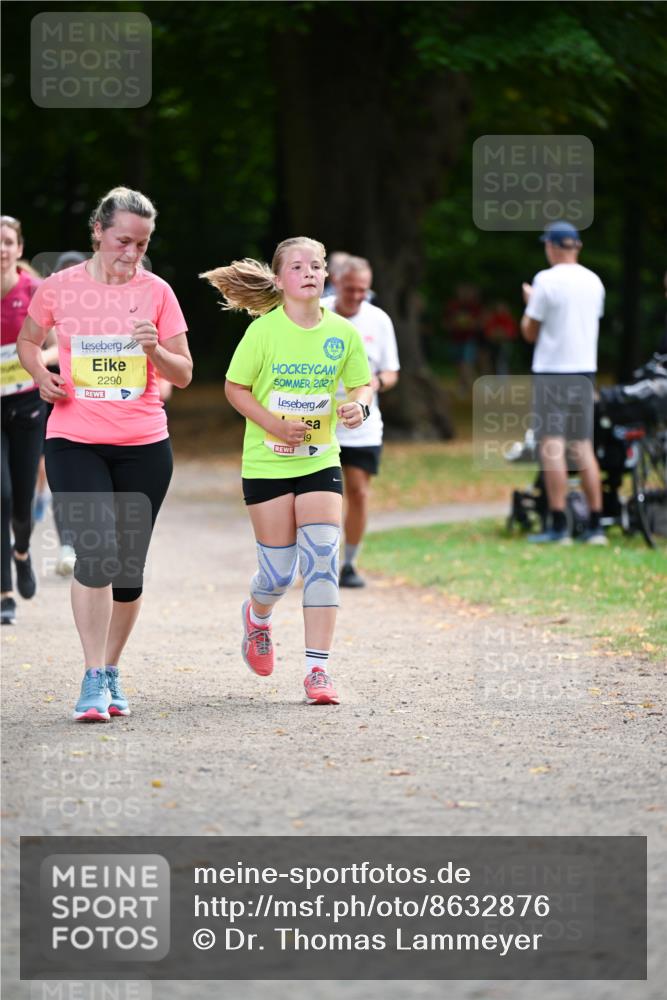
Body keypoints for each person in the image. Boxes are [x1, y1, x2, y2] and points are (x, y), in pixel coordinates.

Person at [17, 186, 192, 720]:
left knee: (127, 569)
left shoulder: (158, 292)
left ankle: (112, 667)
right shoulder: (59, 288)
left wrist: (154, 350)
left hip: (143, 445)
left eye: (141, 244)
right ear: (97, 231)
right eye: (122, 241)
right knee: (94, 556)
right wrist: (39, 375)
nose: (131, 253)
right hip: (74, 439)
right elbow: (29, 341)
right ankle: (92, 676)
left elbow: (184, 374)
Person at [201, 237, 372, 705]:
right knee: (278, 573)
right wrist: (275, 424)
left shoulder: (343, 333)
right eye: (298, 266)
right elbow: (235, 388)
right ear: (279, 280)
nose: (310, 272)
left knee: (321, 562)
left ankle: (318, 671)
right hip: (267, 462)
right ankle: (257, 617)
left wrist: (358, 407)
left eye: (317, 265)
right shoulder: (263, 332)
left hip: (320, 459)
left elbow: (361, 385)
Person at [521, 220, 606, 544]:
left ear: (552, 246)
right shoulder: (594, 281)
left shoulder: (546, 280)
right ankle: (596, 525)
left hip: (552, 371)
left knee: (552, 446)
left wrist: (530, 303)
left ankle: (558, 524)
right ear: (578, 247)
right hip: (585, 371)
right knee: (583, 446)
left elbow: (530, 332)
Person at [321, 255, 399, 587]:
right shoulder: (317, 311)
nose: (356, 296)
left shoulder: (378, 320)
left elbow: (392, 372)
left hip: (362, 422)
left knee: (359, 492)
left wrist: (374, 385)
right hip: (317, 421)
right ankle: (318, 561)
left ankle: (349, 563)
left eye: (363, 291)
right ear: (335, 282)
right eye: (350, 289)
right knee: (319, 496)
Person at [1, 215, 57, 625]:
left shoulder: (35, 291)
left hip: (27, 408)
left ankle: (22, 552)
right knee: (0, 496)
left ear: (19, 249)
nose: (1, 249)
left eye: (7, 242)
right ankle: (4, 591)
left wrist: (32, 364)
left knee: (22, 500)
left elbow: (58, 348)